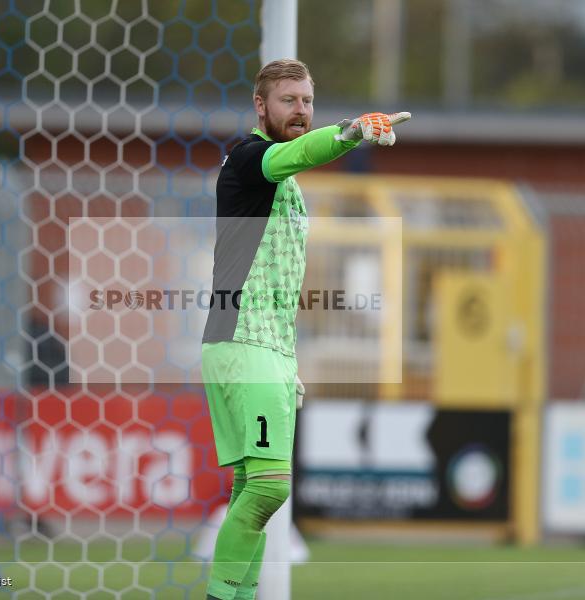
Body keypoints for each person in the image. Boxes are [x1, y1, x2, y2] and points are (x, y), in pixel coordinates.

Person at [200, 58, 410, 600]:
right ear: (261, 106)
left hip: (262, 345)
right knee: (271, 488)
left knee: (254, 487)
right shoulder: (252, 159)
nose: (300, 111)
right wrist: (350, 134)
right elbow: (297, 152)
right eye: (289, 100)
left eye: (307, 101)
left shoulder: (282, 180)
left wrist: (288, 362)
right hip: (244, 341)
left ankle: (237, 597)